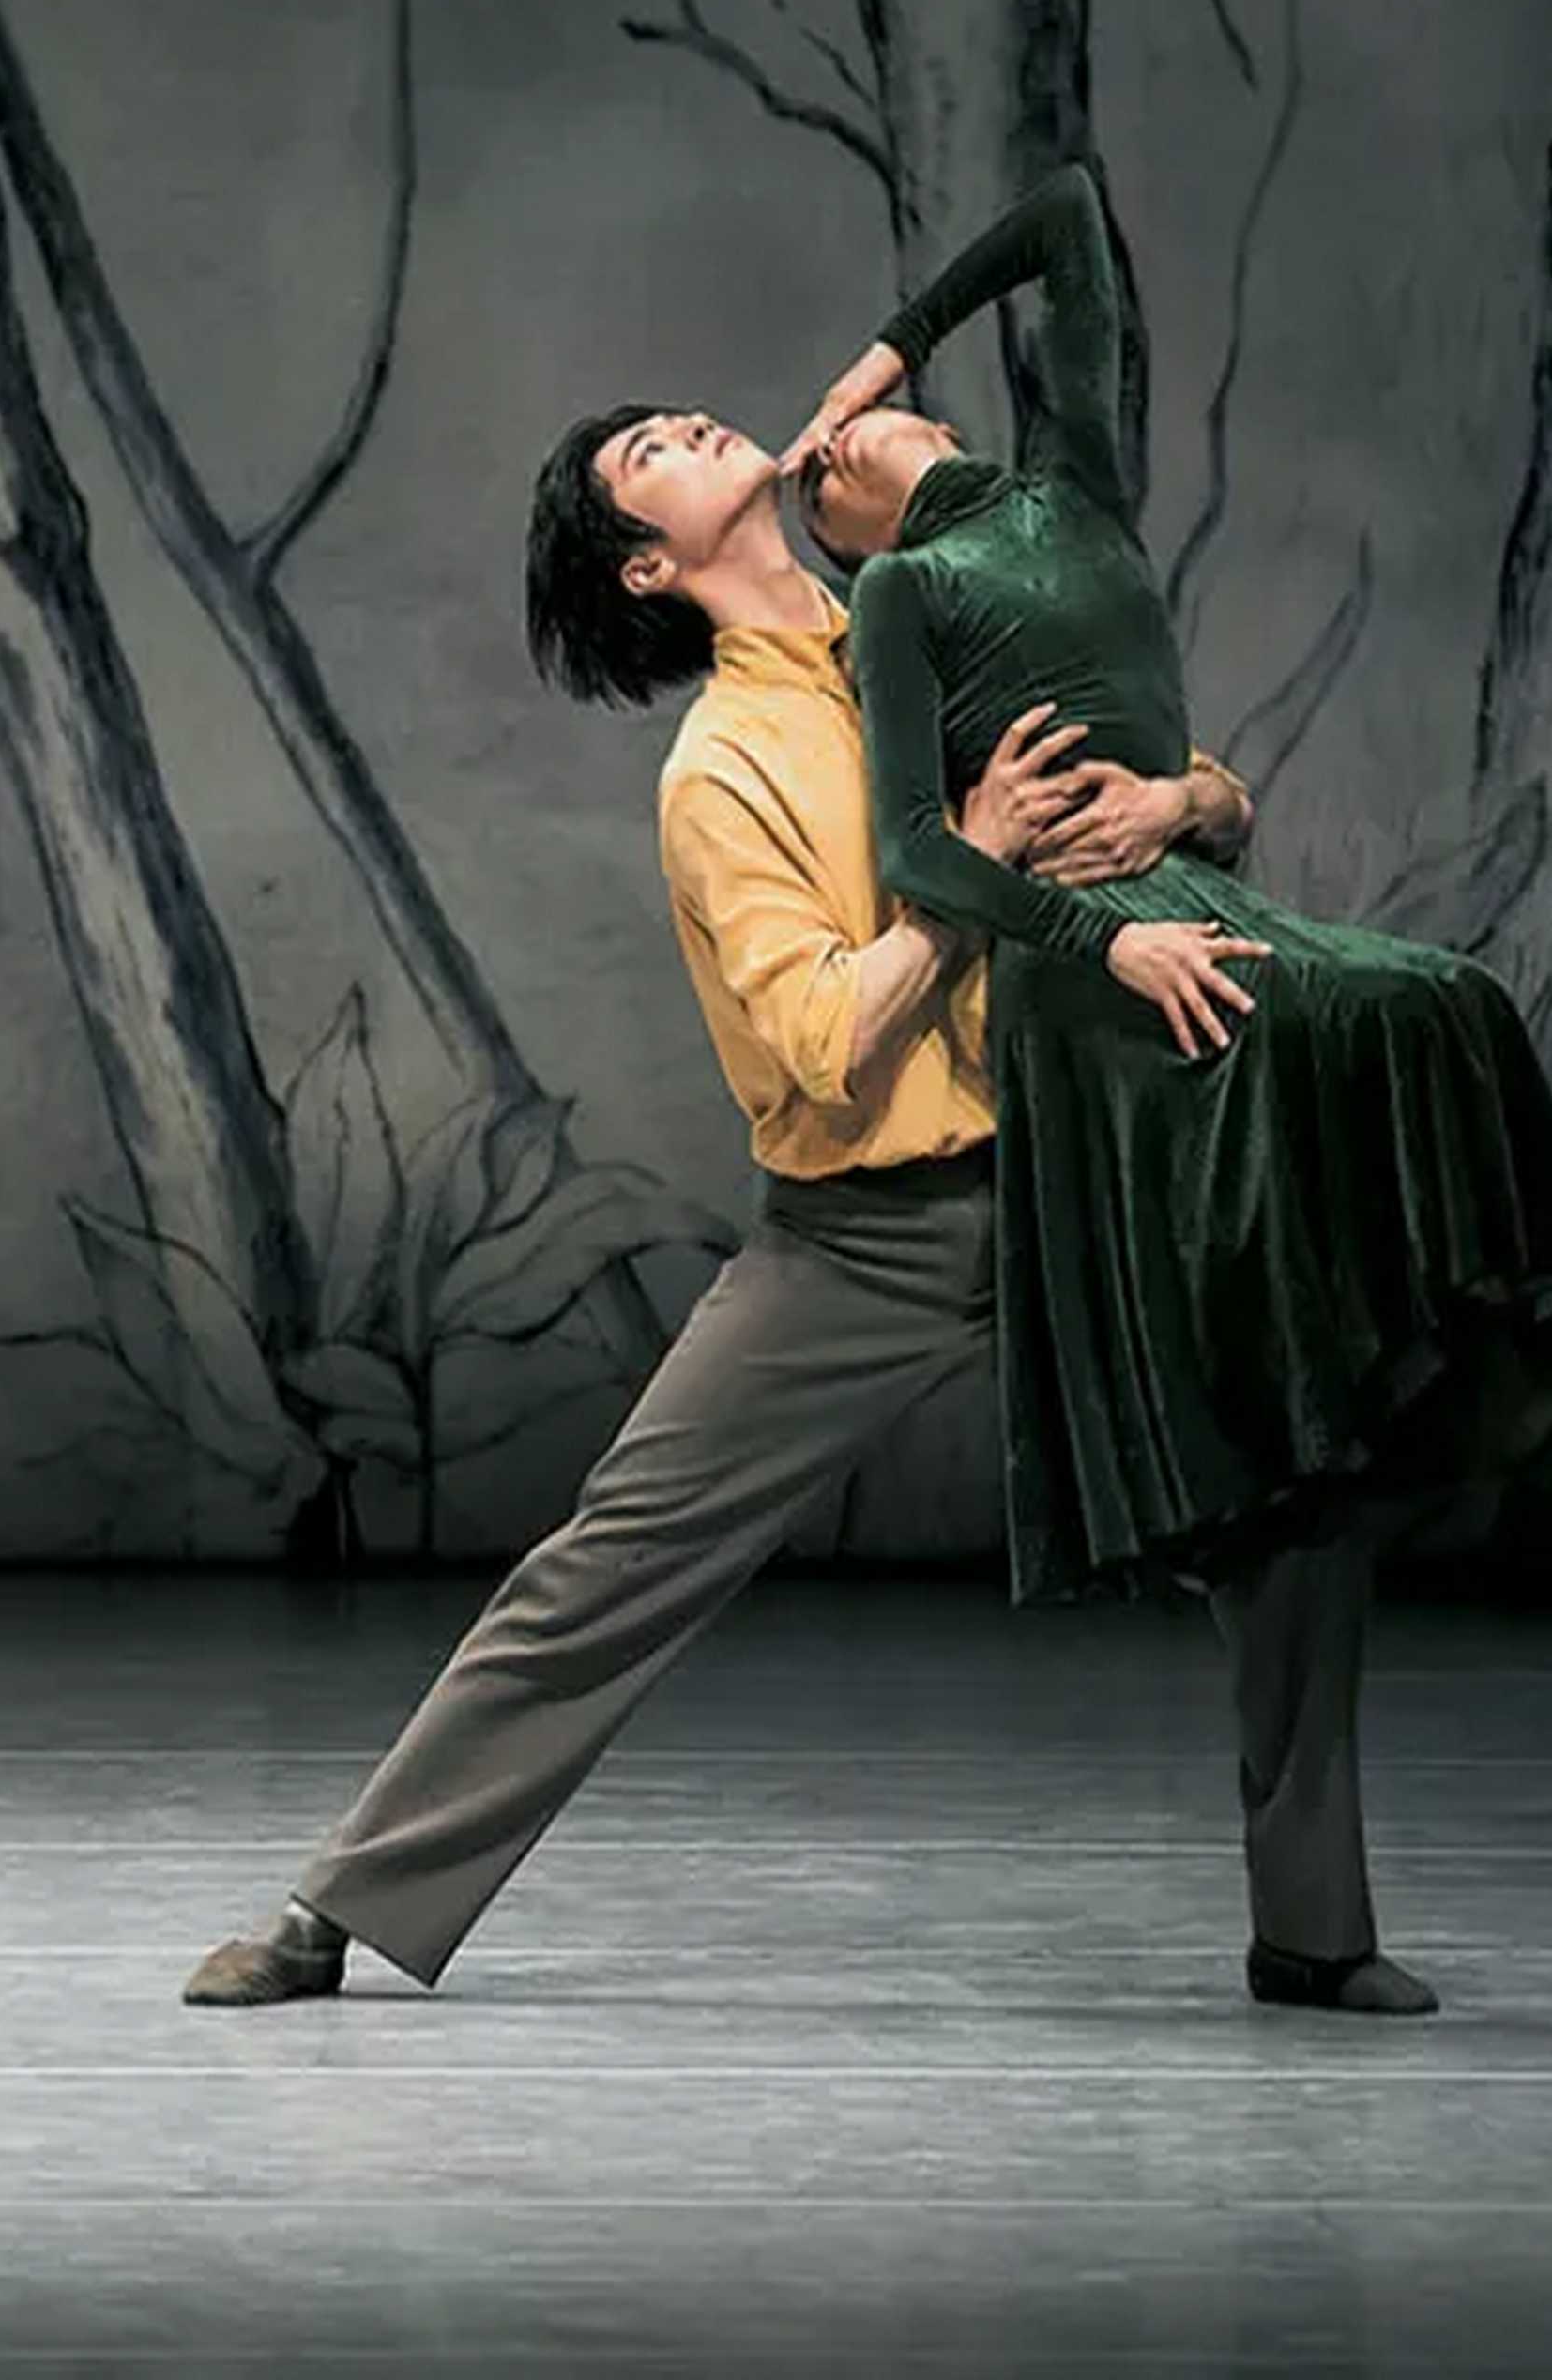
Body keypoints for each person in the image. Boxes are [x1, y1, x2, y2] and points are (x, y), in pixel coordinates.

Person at [180, 393, 1268, 2009]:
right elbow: (825, 1041)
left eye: (677, 417)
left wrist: (1177, 808)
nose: (690, 421)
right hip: (874, 1237)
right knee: (619, 1556)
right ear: (643, 572)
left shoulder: (944, 597)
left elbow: (1207, 791)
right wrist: (969, 866)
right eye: (650, 457)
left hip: (1081, 1176)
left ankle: (1318, 1936)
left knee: (1290, 1507)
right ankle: (338, 1908)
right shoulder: (725, 772)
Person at [782, 159, 1552, 2011]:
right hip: (1109, 988)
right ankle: (1313, 1898)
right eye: (808, 462)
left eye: (836, 427)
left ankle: (1312, 1930)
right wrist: (1110, 939)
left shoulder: (1068, 498)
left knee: (1433, 1031)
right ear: (837, 529)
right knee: (1405, 1023)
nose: (824, 442)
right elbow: (924, 858)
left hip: (1202, 900)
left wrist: (887, 334)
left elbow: (1076, 215)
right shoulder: (904, 591)